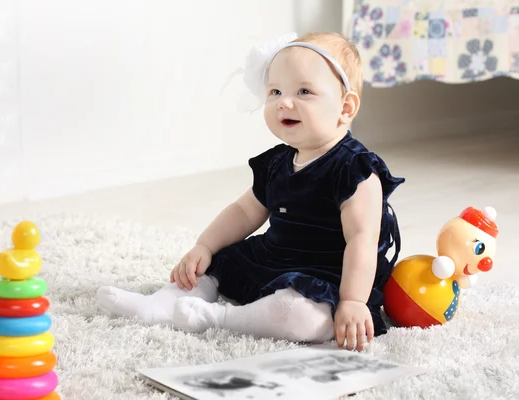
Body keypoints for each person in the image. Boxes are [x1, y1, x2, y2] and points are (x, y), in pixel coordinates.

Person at [97, 31, 405, 352]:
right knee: (214, 264)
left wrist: (353, 301)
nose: (284, 101)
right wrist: (203, 246)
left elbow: (363, 240)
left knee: (303, 316)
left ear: (345, 107)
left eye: (303, 91)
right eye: (275, 91)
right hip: (273, 256)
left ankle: (221, 317)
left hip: (329, 272)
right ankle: (160, 304)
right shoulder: (277, 162)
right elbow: (245, 211)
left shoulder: (355, 169)